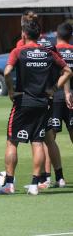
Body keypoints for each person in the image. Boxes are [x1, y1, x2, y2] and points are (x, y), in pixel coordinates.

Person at [0, 21, 72, 195]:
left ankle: (9, 184)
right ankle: (35, 184)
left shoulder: (18, 51)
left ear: (24, 34)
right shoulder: (48, 52)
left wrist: (11, 91)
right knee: (37, 142)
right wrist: (53, 89)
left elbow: (6, 72)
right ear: (39, 35)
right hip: (43, 103)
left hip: (23, 102)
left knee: (12, 141)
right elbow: (68, 71)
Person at [47, 22, 73, 188]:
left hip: (55, 98)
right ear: (71, 36)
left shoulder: (52, 51)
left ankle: (49, 178)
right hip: (71, 99)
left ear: (57, 35)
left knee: (50, 140)